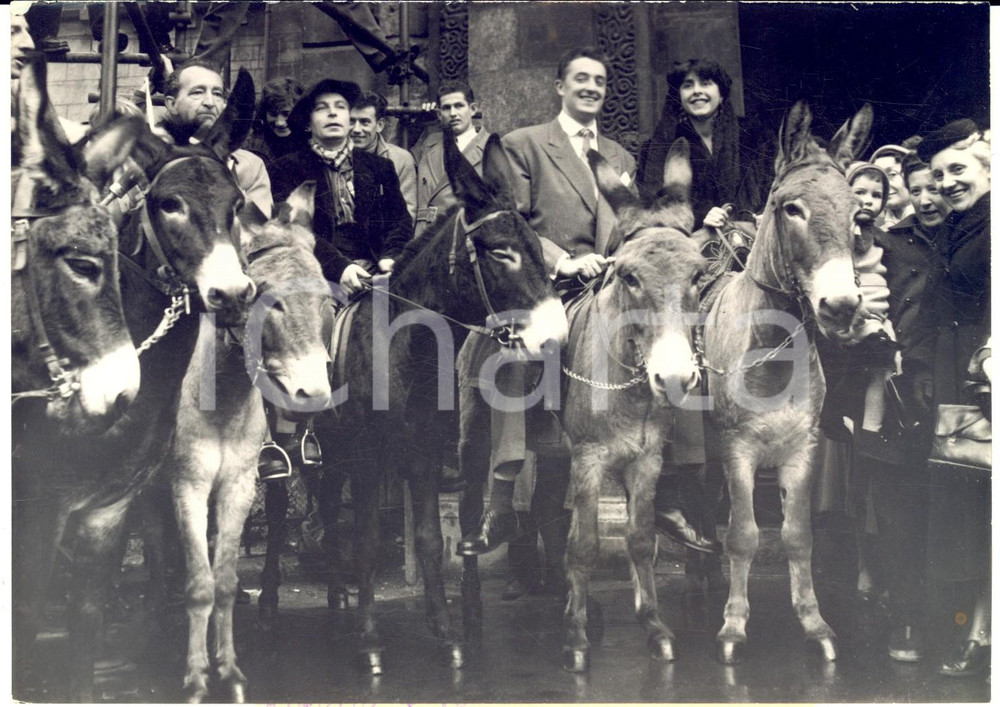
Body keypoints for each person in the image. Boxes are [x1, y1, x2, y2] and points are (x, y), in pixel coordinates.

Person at [457, 48, 716, 586]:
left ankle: (670, 485)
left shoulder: (620, 153)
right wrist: (565, 259)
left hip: (614, 284)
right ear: (559, 86)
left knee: (677, 346)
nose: (591, 87)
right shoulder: (526, 143)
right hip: (548, 281)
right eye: (580, 79)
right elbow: (516, 223)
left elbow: (635, 223)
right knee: (518, 352)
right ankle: (501, 493)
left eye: (599, 80)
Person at [852, 149, 951, 663]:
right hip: (903, 391)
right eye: (922, 187)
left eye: (941, 184)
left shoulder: (970, 235)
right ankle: (906, 617)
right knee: (898, 508)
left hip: (957, 384)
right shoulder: (890, 243)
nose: (931, 196)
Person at [917, 119, 991, 679]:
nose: (946, 183)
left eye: (958, 170)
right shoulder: (956, 228)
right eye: (938, 174)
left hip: (986, 373)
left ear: (987, 167)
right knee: (969, 504)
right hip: (953, 377)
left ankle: (983, 633)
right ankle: (978, 627)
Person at [270, 77, 412, 295]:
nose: (333, 113)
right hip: (316, 277)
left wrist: (390, 258)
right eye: (322, 108)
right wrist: (340, 269)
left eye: (341, 107)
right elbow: (292, 231)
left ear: (348, 118)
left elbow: (400, 222)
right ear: (308, 123)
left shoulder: (379, 167)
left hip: (377, 275)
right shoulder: (285, 170)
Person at [637, 58, 773, 230]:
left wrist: (765, 218)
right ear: (679, 96)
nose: (697, 91)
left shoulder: (755, 139)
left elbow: (774, 194)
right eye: (688, 85)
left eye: (705, 83)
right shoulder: (660, 147)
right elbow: (654, 212)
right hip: (693, 247)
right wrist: (700, 219)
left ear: (721, 94)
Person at [160, 59, 272, 217]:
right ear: (172, 104)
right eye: (197, 92)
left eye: (217, 94)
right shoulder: (151, 158)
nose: (210, 102)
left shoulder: (250, 167)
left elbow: (259, 232)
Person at [414, 81, 493, 238]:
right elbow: (397, 161)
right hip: (423, 240)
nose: (453, 113)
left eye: (459, 106)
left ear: (473, 109)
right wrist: (416, 124)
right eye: (446, 108)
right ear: (438, 114)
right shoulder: (428, 143)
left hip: (461, 240)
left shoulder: (491, 148)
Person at [350, 91, 417, 221]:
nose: (356, 130)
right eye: (351, 122)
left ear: (379, 125)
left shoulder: (401, 160)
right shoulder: (332, 158)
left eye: (365, 122)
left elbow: (407, 215)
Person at [245, 77, 304, 170]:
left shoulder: (314, 143)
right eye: (273, 114)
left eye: (286, 114)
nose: (279, 123)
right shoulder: (252, 147)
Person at [871, 144, 916, 229]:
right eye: (877, 179)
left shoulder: (931, 220)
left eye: (892, 174)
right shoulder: (876, 229)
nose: (884, 185)